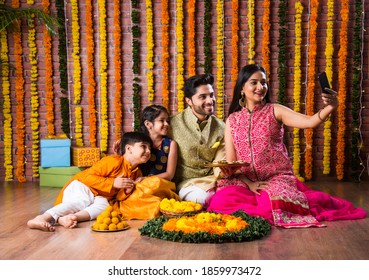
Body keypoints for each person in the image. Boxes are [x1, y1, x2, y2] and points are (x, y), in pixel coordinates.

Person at [206, 64, 366, 228]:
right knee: (220, 202)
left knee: (274, 205)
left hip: (275, 178)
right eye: (254, 82)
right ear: (242, 88)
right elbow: (233, 163)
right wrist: (248, 182)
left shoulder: (275, 110)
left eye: (264, 82)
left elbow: (310, 122)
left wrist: (330, 107)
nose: (260, 87)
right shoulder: (232, 120)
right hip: (245, 180)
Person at [27, 132, 153, 232]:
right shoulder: (114, 161)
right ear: (129, 148)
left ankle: (70, 218)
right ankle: (42, 218)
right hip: (83, 186)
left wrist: (128, 190)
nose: (148, 151)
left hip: (98, 196)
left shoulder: (137, 173)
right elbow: (88, 176)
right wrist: (112, 183)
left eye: (149, 148)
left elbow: (118, 197)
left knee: (105, 207)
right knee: (81, 201)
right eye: (143, 146)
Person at [111, 105, 180, 219]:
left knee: (150, 187)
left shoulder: (170, 144)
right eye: (161, 120)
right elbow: (126, 164)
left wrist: (146, 179)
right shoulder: (136, 142)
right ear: (148, 124)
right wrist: (120, 150)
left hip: (159, 185)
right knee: (133, 192)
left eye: (167, 121)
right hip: (137, 184)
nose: (166, 124)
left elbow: (169, 174)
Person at [170, 74, 226, 206]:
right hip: (187, 184)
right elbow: (149, 140)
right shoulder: (172, 124)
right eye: (203, 97)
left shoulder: (222, 127)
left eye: (211, 95)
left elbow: (220, 161)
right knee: (202, 198)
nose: (210, 100)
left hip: (214, 181)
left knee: (231, 196)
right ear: (189, 101)